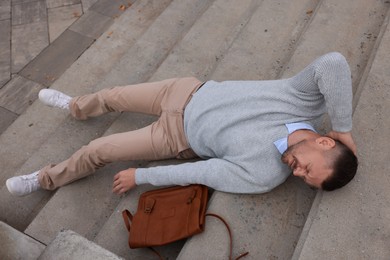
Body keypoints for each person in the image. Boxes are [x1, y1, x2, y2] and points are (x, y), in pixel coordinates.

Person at [6, 52, 358, 197]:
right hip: (184, 90)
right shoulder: (304, 100)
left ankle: (45, 178)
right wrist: (343, 127)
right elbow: (333, 62)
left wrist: (141, 176)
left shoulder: (264, 175)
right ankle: (75, 106)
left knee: (99, 150)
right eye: (307, 169)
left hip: (175, 136)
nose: (297, 174)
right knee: (112, 96)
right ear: (325, 142)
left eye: (305, 181)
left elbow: (203, 173)